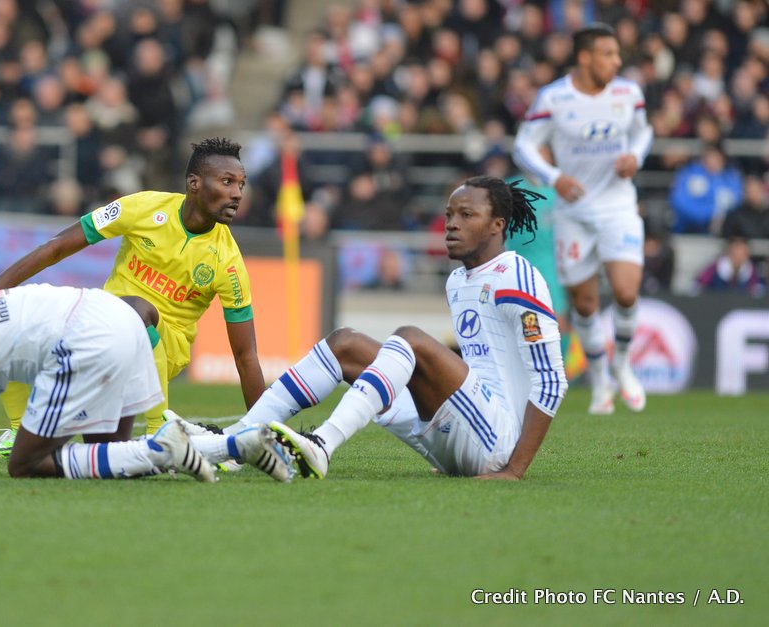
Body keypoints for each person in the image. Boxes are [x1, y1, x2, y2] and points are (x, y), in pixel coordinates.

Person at [225, 176, 568, 480]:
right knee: (345, 344)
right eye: (449, 215)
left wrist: (514, 469)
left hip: (498, 442)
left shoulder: (516, 276)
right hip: (456, 438)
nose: (452, 224)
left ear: (497, 225)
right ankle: (235, 442)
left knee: (410, 339)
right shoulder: (457, 281)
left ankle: (321, 445)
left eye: (466, 215)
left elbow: (552, 381)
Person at [0, 138, 266, 459]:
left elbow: (245, 356)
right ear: (194, 183)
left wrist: (265, 431)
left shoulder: (229, 262)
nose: (237, 193)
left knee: (135, 310)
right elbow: (58, 246)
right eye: (227, 182)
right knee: (15, 318)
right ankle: (19, 431)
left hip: (162, 349)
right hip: (99, 328)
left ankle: (158, 431)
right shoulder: (144, 208)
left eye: (241, 184)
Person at [0, 284, 292, 482]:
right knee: (113, 458)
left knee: (24, 465)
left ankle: (162, 449)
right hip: (119, 317)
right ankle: (235, 445)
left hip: (83, 338)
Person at [513, 23, 653, 415]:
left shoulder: (628, 94)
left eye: (617, 53)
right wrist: (554, 177)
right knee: (586, 305)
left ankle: (621, 365)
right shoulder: (554, 98)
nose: (617, 61)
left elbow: (644, 133)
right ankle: (600, 382)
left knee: (626, 292)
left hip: (618, 206)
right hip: (573, 212)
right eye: (609, 54)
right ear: (585, 57)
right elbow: (523, 146)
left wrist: (636, 157)